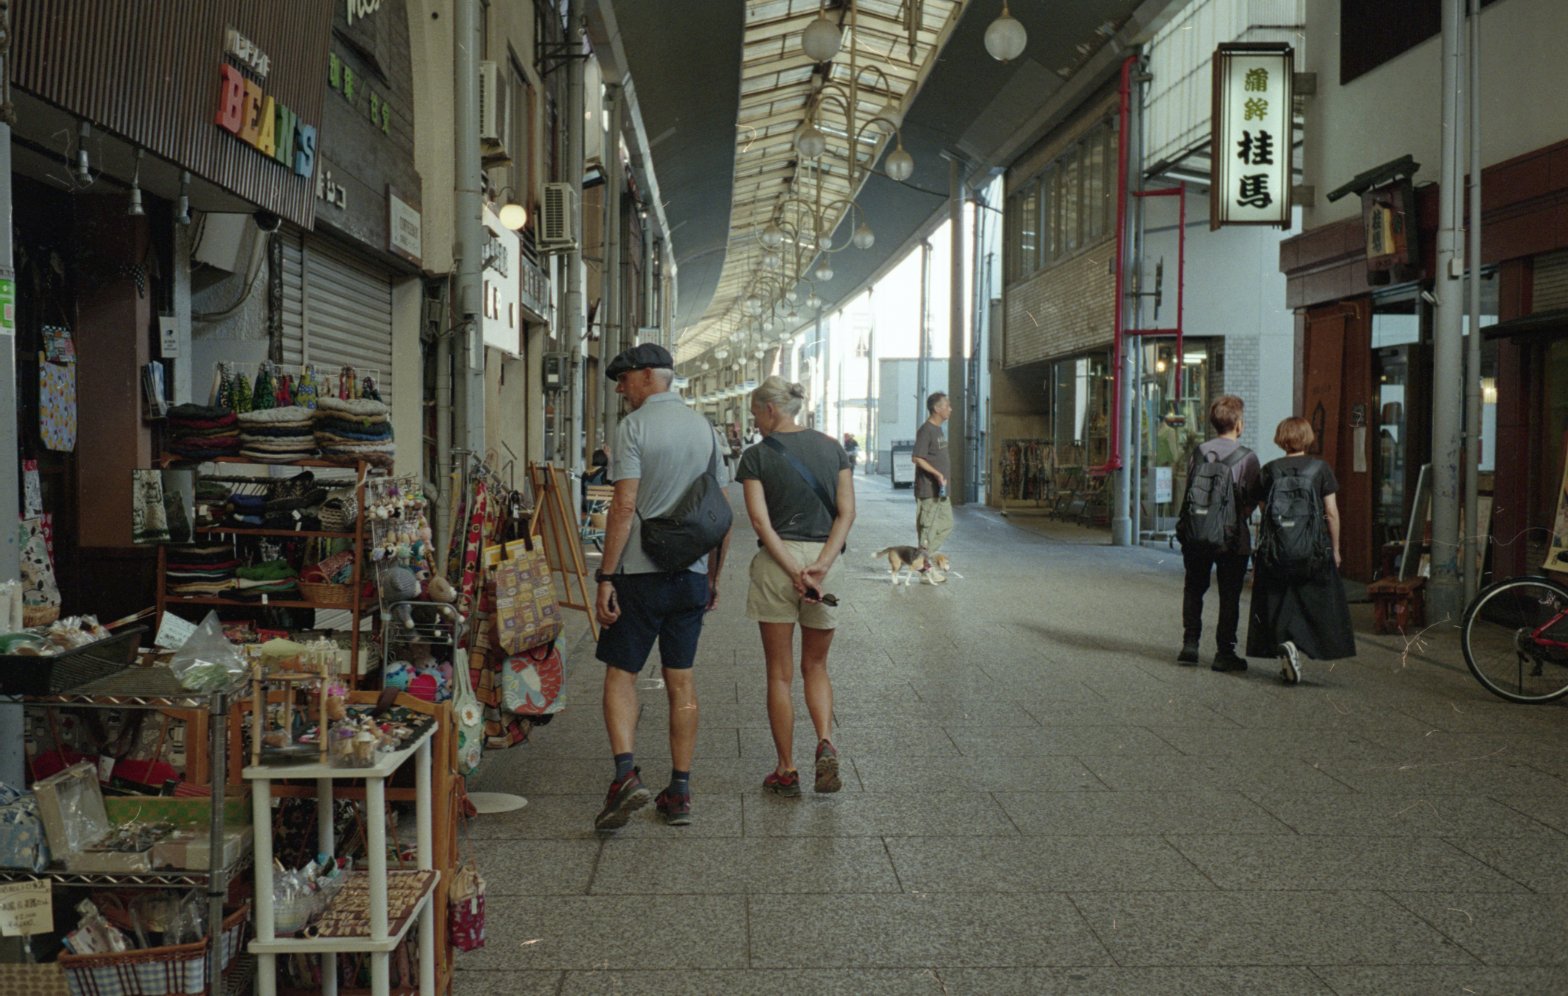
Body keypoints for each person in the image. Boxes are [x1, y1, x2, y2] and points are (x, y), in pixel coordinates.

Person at [592, 343, 732, 830]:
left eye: (624, 378)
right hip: (690, 576)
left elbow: (624, 507)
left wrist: (605, 575)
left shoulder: (633, 428)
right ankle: (680, 791)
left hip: (639, 575)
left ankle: (625, 775)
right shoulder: (707, 430)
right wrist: (712, 575)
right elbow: (719, 512)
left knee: (620, 674)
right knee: (682, 679)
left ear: (649, 376)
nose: (619, 387)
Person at [736, 377, 855, 796]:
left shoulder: (755, 457)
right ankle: (824, 741)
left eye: (755, 412)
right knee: (817, 667)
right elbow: (846, 513)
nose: (755, 421)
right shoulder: (832, 447)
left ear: (770, 409)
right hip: (826, 567)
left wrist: (791, 569)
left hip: (777, 564)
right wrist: (820, 566)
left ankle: (786, 769)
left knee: (779, 674)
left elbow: (759, 522)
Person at [1246, 416, 1357, 684]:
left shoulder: (1270, 470)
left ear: (1281, 438)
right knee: (1315, 600)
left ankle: (1286, 643)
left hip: (1277, 551)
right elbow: (1331, 513)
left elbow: (1263, 511)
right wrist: (1336, 549)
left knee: (1279, 599)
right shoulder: (1320, 469)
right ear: (1308, 437)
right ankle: (1301, 645)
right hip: (1313, 550)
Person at [1176, 395, 1261, 671]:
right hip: (1231, 538)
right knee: (1229, 595)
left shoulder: (1199, 452)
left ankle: (1190, 645)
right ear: (1238, 424)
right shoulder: (1247, 457)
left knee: (1194, 588)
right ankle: (1224, 653)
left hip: (1197, 533)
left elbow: (1191, 491)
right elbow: (1251, 500)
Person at [911, 392, 953, 576]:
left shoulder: (939, 429)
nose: (950, 409)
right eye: (947, 406)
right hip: (929, 491)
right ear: (937, 409)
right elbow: (917, 458)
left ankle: (922, 558)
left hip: (941, 491)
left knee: (946, 523)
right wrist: (937, 474)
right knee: (928, 530)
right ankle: (924, 568)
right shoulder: (926, 430)